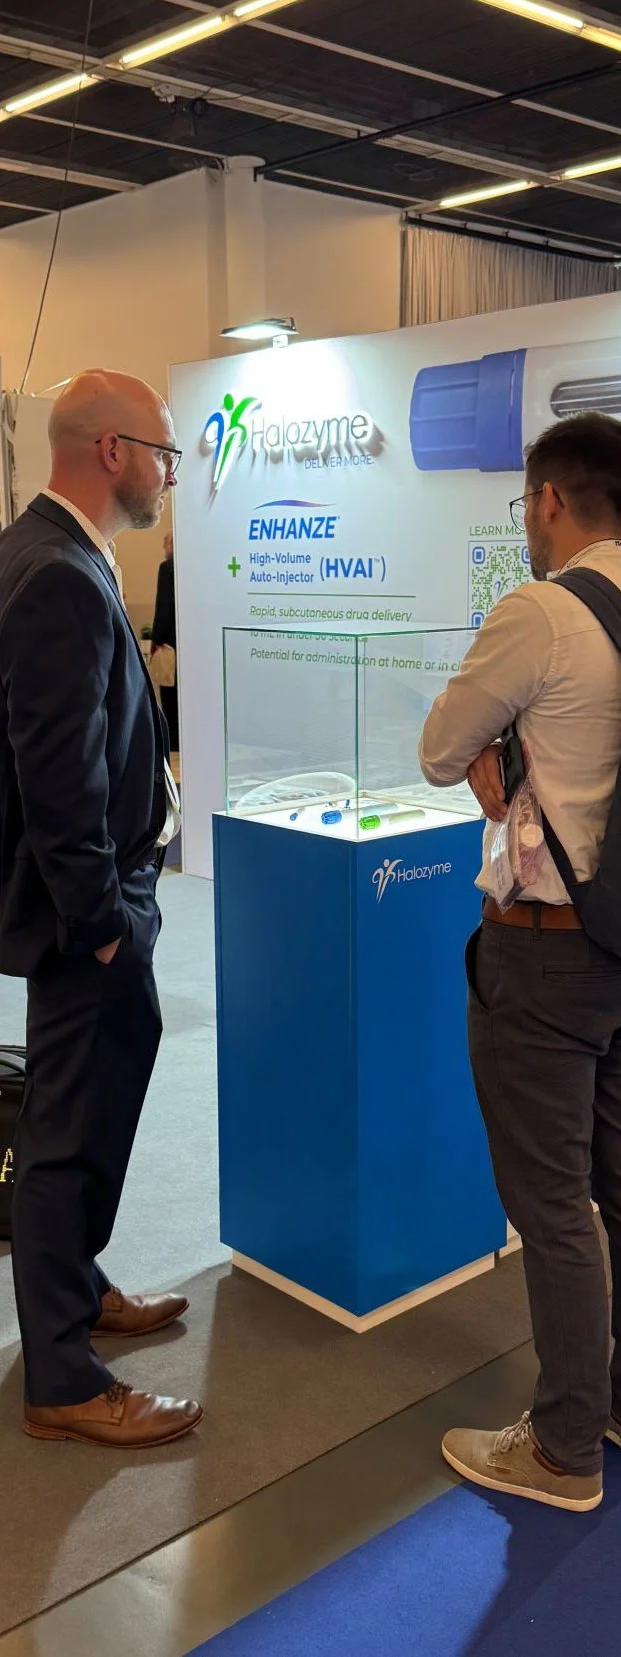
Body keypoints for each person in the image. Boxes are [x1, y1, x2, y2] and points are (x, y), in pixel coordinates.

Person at [420, 412, 621, 1514]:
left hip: (546, 956)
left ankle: (565, 1449)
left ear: (548, 501)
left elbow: (438, 748)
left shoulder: (539, 611)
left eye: (526, 504)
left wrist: (497, 748)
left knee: (553, 1205)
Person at [0, 369, 203, 1448]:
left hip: (100, 896)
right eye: (165, 451)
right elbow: (57, 773)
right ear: (114, 450)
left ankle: (75, 1290)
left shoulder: (50, 551)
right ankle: (65, 1378)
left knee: (89, 1106)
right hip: (88, 911)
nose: (172, 472)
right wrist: (101, 925)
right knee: (68, 1130)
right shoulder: (57, 574)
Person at [151, 530, 179, 753]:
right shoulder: (195, 567)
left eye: (166, 542)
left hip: (170, 643)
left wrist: (156, 639)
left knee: (169, 694)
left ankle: (174, 741)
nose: (163, 546)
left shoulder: (168, 568)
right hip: (192, 643)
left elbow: (164, 607)